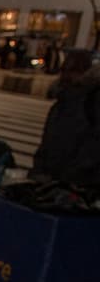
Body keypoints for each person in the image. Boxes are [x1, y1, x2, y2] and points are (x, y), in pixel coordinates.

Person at [32, 53, 100, 187]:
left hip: (78, 183)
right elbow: (47, 142)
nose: (66, 75)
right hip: (53, 180)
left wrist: (74, 177)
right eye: (64, 70)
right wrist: (39, 170)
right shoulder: (60, 103)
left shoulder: (92, 102)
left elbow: (93, 147)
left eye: (73, 71)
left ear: (84, 73)